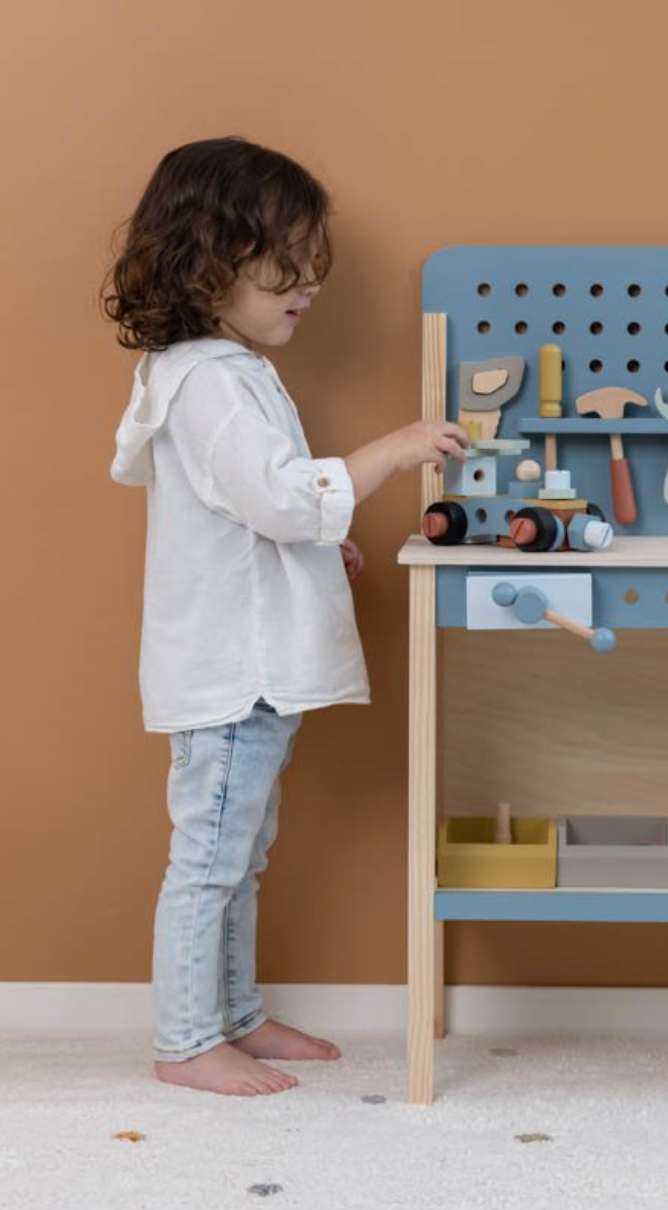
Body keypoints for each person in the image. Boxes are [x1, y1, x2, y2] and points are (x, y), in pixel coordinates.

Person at [103, 136, 468, 1096]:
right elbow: (273, 495)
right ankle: (187, 1040)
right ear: (206, 262)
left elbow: (249, 511)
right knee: (213, 858)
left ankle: (231, 1016)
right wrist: (389, 451)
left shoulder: (219, 369)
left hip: (246, 661)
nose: (308, 283)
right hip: (234, 670)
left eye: (312, 263)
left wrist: (315, 541)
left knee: (241, 851)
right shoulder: (212, 381)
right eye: (284, 267)